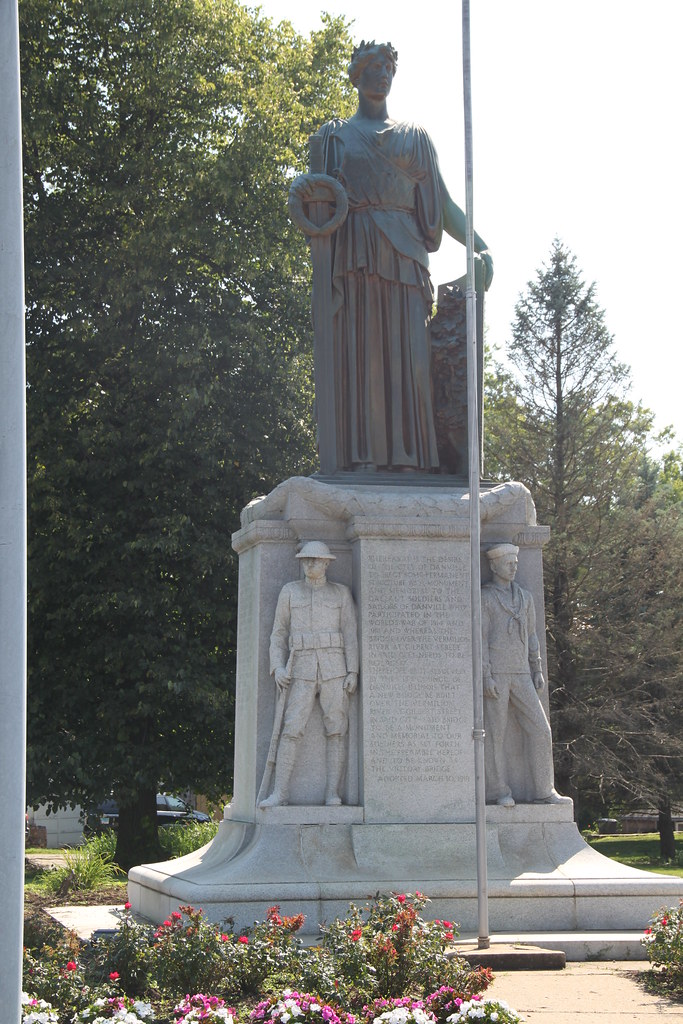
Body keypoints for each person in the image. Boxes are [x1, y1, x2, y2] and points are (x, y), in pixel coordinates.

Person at [291, 41, 492, 472]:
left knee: (411, 361)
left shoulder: (414, 138)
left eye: (387, 67)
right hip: (356, 257)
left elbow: (447, 204)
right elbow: (316, 208)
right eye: (373, 66)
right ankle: (359, 459)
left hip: (405, 260)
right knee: (362, 360)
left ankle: (412, 461)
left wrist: (478, 245)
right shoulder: (332, 139)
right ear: (356, 76)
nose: (382, 74)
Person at [259, 542, 358, 808]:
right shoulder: (290, 592)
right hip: (299, 668)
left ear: (326, 563)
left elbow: (350, 633)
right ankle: (280, 793)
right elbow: (278, 634)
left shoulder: (340, 593)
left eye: (314, 560)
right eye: (305, 560)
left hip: (334, 668)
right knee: (291, 729)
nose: (309, 565)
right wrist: (277, 667)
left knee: (336, 730)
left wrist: (353, 669)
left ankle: (332, 794)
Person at [481, 544, 570, 807]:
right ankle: (499, 790)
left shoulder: (525, 597)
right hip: (497, 673)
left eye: (516, 562)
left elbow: (532, 636)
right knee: (495, 733)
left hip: (521, 673)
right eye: (508, 562)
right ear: (494, 566)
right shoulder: (486, 598)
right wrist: (486, 676)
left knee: (541, 730)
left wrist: (537, 668)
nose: (514, 567)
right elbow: (481, 639)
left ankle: (545, 789)